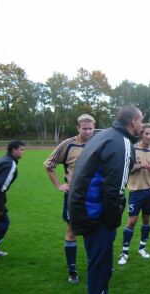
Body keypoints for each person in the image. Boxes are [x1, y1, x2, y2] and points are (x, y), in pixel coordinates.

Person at [68, 105, 143, 294]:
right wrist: (112, 223)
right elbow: (115, 189)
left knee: (99, 267)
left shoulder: (102, 136)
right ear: (133, 121)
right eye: (141, 121)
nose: (142, 125)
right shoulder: (122, 142)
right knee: (100, 272)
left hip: (83, 211)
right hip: (97, 217)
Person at [44, 114, 95, 283]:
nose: (88, 131)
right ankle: (72, 271)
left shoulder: (98, 143)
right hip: (75, 196)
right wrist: (59, 185)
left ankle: (96, 264)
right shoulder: (68, 144)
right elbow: (49, 165)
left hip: (95, 196)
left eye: (90, 128)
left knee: (94, 231)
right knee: (72, 231)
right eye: (84, 128)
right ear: (78, 128)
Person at [117, 123, 150, 265]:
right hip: (136, 191)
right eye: (146, 133)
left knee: (147, 220)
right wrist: (139, 166)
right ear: (141, 134)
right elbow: (125, 169)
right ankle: (124, 252)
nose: (148, 136)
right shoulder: (132, 149)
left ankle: (142, 248)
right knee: (132, 221)